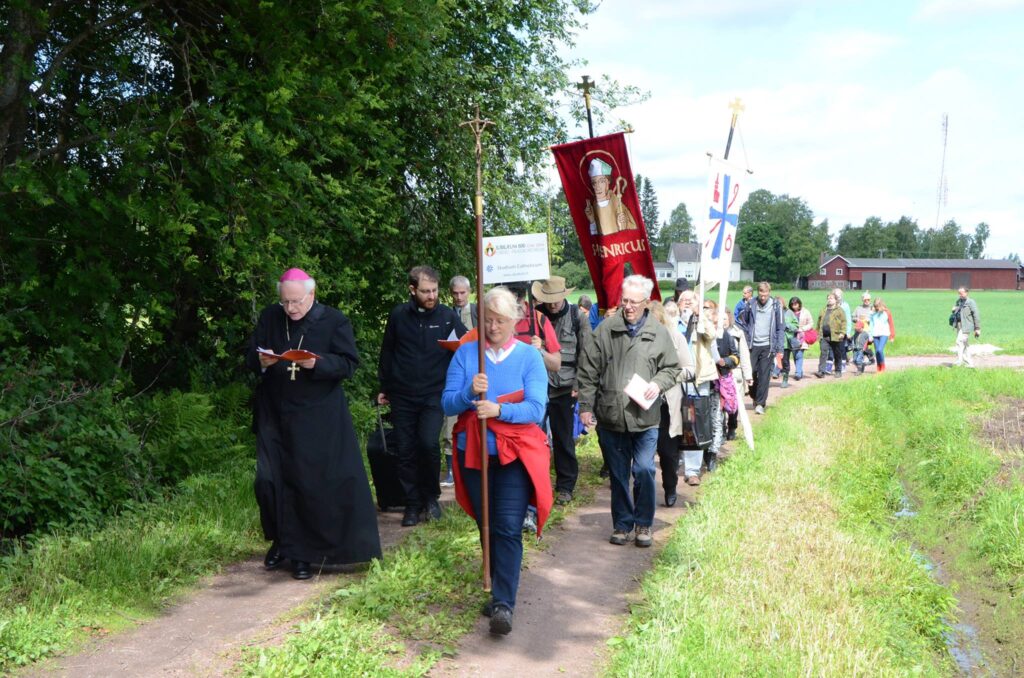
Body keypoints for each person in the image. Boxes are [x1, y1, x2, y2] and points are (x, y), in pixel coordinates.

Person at [247, 268, 382, 580]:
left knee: (306, 485)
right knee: (268, 483)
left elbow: (349, 364)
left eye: (296, 302)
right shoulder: (271, 317)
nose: (290, 309)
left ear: (311, 295)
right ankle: (280, 542)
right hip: (274, 414)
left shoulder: (334, 321)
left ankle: (304, 554)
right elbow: (250, 356)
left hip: (317, 418)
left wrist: (318, 363)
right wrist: (261, 362)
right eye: (285, 303)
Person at [442, 286, 551, 636]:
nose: (492, 327)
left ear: (514, 321)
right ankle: (496, 583)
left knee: (506, 527)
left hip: (514, 457)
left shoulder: (528, 358)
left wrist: (499, 409)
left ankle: (504, 603)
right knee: (485, 526)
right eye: (487, 320)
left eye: (500, 321)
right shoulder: (466, 354)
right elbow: (447, 404)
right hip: (474, 454)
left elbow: (537, 408)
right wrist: (469, 392)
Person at [578, 275, 681, 547]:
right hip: (611, 415)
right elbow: (588, 370)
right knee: (618, 474)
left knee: (645, 469)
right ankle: (622, 525)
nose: (629, 306)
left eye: (634, 302)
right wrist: (586, 407)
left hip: (645, 418)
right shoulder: (606, 329)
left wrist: (657, 385)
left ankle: (644, 524)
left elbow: (672, 368)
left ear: (646, 302)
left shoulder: (659, 333)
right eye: (625, 300)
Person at [378, 265, 467, 527]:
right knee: (406, 449)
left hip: (434, 393)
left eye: (435, 291)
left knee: (428, 444)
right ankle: (412, 504)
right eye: (425, 291)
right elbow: (387, 353)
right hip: (402, 394)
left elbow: (466, 346)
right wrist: (383, 387)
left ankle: (431, 498)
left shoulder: (448, 316)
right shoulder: (398, 316)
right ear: (412, 289)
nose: (431, 296)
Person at [534, 276, 592, 505]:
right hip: (537, 385)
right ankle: (535, 486)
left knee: (563, 438)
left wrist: (579, 384)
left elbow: (586, 354)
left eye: (556, 299)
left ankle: (565, 486)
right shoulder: (536, 315)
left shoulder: (577, 317)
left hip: (565, 387)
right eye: (549, 299)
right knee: (534, 438)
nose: (553, 304)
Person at [647, 300, 695, 507]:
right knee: (644, 455)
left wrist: (669, 376)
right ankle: (644, 494)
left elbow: (691, 370)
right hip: (644, 403)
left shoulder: (676, 338)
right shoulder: (638, 341)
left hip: (668, 405)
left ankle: (670, 487)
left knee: (667, 453)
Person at [440, 276, 478, 488]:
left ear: (469, 292)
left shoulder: (476, 312)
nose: (459, 297)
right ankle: (451, 471)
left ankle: (472, 467)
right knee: (450, 423)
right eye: (455, 293)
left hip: (473, 375)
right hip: (451, 373)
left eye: (463, 292)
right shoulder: (445, 314)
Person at [677, 291, 717, 485]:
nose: (687, 304)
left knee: (694, 422)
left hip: (697, 381)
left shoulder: (701, 323)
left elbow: (712, 335)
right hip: (676, 381)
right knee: (678, 422)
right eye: (684, 301)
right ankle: (676, 459)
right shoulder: (673, 323)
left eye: (691, 301)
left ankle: (692, 470)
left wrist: (700, 315)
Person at [741, 282, 785, 415]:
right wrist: (747, 337)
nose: (763, 297)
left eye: (765, 294)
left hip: (768, 345)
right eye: (761, 294)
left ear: (769, 293)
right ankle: (755, 396)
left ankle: (761, 403)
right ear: (758, 292)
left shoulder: (776, 306)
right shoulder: (750, 304)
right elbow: (744, 322)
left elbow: (780, 328)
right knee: (751, 373)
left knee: (764, 375)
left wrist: (780, 348)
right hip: (753, 345)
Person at [706, 299, 739, 471]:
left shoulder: (724, 335)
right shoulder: (699, 334)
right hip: (700, 384)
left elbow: (735, 357)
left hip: (719, 384)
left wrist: (723, 361)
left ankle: (712, 454)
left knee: (717, 421)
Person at [584, 158, 638, 236]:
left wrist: (624, 224)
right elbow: (595, 240)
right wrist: (592, 221)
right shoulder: (594, 207)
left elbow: (633, 233)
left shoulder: (618, 204)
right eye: (594, 183)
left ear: (608, 181)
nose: (597, 186)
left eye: (601, 181)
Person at [723, 308, 753, 442]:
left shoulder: (737, 333)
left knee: (733, 403)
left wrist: (748, 375)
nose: (723, 321)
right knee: (721, 403)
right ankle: (721, 428)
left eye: (725, 318)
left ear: (729, 318)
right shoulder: (713, 334)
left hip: (735, 374)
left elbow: (745, 355)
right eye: (720, 318)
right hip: (720, 374)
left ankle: (732, 427)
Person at [781, 296, 813, 385]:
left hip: (801, 336)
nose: (794, 306)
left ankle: (798, 373)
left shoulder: (805, 312)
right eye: (792, 304)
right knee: (795, 356)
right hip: (791, 337)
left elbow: (811, 323)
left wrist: (802, 329)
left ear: (799, 303)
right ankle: (799, 371)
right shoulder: (788, 312)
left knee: (799, 355)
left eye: (796, 304)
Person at [815, 292, 847, 378]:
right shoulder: (823, 310)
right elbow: (819, 322)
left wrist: (842, 333)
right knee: (823, 353)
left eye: (831, 298)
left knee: (837, 354)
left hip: (836, 336)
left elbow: (844, 322)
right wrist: (817, 333)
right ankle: (821, 371)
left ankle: (838, 370)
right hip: (824, 336)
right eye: (828, 298)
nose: (829, 299)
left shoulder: (840, 310)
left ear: (836, 300)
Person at [951, 287, 981, 367]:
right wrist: (954, 309)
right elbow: (957, 311)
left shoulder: (971, 302)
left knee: (959, 341)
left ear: (966, 293)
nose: (960, 295)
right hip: (959, 325)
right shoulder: (959, 301)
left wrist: (977, 328)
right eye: (959, 293)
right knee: (965, 345)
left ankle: (960, 361)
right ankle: (969, 364)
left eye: (961, 293)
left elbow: (976, 315)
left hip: (967, 325)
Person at [870, 297, 896, 373]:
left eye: (877, 306)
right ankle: (879, 367)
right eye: (875, 306)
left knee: (879, 350)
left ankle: (883, 367)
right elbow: (871, 324)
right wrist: (870, 335)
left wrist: (892, 336)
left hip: (884, 333)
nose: (876, 308)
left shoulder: (887, 312)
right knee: (876, 352)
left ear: (881, 305)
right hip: (875, 334)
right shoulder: (873, 313)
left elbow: (891, 324)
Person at [852, 292, 875, 365]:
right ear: (862, 300)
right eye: (865, 300)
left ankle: (862, 360)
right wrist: (857, 319)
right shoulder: (858, 308)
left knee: (863, 346)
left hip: (868, 331)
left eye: (868, 299)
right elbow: (852, 317)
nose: (867, 301)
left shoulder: (872, 308)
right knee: (859, 346)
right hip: (859, 331)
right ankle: (870, 357)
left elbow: (876, 318)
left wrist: (869, 320)